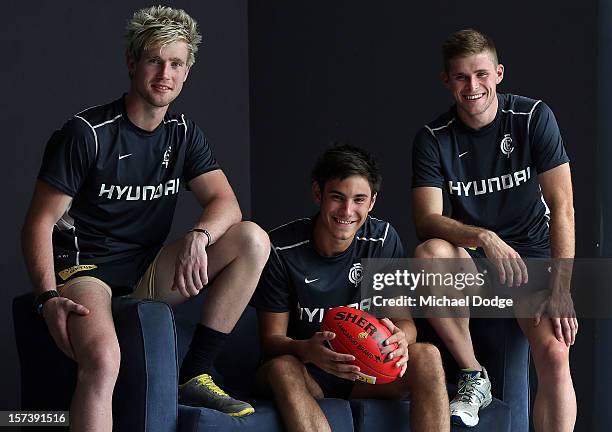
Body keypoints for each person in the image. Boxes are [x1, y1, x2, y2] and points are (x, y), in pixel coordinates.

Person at [21, 6, 270, 431]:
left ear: (187, 72)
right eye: (154, 60)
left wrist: (199, 235)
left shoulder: (183, 133)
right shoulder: (88, 133)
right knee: (103, 360)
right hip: (88, 269)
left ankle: (195, 372)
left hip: (147, 269)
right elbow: (39, 223)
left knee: (251, 239)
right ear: (133, 62)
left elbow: (226, 203)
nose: (164, 73)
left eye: (175, 63)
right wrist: (47, 299)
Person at [411, 28, 577, 430]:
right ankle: (474, 376)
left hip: (531, 262)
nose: (473, 86)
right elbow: (426, 220)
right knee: (427, 252)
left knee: (555, 353)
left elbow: (562, 206)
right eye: (461, 77)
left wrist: (561, 288)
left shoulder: (533, 117)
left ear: (499, 73)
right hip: (477, 261)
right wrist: (483, 236)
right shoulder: (433, 138)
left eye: (481, 74)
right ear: (447, 81)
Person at [251, 144, 449, 432]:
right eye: (337, 197)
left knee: (427, 355)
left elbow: (404, 322)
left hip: (365, 372)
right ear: (318, 194)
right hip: (308, 371)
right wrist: (307, 349)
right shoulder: (282, 248)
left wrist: (400, 340)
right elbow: (271, 341)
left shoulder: (381, 240)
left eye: (359, 200)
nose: (347, 210)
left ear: (372, 202)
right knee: (282, 368)